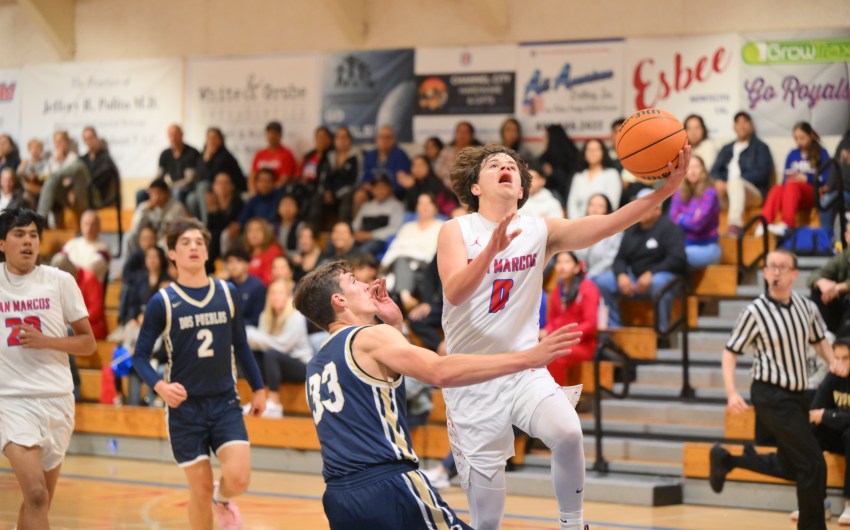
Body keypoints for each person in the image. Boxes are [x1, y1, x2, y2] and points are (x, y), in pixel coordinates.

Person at [438, 143, 690, 530]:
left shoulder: (540, 229)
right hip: (472, 377)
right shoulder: (456, 230)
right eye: (493, 165)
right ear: (475, 187)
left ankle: (573, 525)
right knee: (487, 521)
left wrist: (664, 192)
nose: (505, 167)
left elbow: (609, 223)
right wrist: (491, 249)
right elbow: (455, 291)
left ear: (521, 189)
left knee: (568, 432)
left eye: (511, 165)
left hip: (524, 367)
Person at [292, 260, 582, 529]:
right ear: (339, 300)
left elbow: (384, 396)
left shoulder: (317, 361)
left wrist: (395, 326)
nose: (367, 285)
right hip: (389, 485)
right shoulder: (368, 338)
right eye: (354, 281)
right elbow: (440, 372)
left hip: (339, 497)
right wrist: (528, 358)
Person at [131, 218, 267, 530]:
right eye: (185, 242)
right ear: (172, 254)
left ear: (207, 252)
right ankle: (210, 502)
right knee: (200, 489)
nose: (193, 247)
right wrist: (159, 387)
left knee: (239, 479)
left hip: (224, 402)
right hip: (185, 410)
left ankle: (223, 500)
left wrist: (259, 388)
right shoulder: (161, 302)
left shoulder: (226, 291)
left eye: (199, 242)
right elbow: (138, 357)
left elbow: (241, 344)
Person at [709, 249, 845, 530]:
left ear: (795, 274)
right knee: (813, 463)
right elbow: (730, 353)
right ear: (765, 273)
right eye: (772, 267)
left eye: (783, 267)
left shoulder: (806, 307)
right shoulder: (755, 311)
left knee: (792, 465)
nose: (776, 272)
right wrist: (732, 392)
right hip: (770, 395)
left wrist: (833, 361)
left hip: (798, 395)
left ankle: (727, 460)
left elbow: (819, 341)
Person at [0, 207, 96, 529]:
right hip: (11, 401)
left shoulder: (60, 281)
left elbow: (88, 343)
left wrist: (47, 341)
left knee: (37, 503)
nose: (28, 242)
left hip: (58, 399)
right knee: (37, 495)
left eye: (33, 235)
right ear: (2, 243)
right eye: (19, 234)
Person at [594, 187, 687, 330]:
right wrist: (621, 275)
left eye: (647, 207)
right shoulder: (632, 229)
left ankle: (662, 332)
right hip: (635, 278)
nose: (642, 211)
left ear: (658, 210)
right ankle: (614, 327)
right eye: (640, 207)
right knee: (602, 281)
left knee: (658, 282)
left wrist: (652, 273)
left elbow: (677, 259)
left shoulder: (670, 228)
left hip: (665, 278)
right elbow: (619, 259)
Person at [246, 279, 313, 418]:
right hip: (278, 365)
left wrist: (253, 335)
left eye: (280, 293)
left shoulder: (296, 316)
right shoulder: (264, 316)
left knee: (271, 354)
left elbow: (283, 346)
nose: (276, 296)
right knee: (252, 355)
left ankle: (275, 404)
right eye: (273, 293)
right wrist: (254, 338)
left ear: (288, 296)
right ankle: (258, 399)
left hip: (302, 366)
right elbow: (259, 345)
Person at [759, 121, 830, 237]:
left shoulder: (822, 153)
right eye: (796, 138)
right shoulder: (792, 154)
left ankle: (787, 224)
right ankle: (763, 223)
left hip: (813, 192)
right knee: (777, 188)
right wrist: (791, 178)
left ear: (811, 135)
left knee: (792, 186)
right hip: (793, 194)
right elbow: (784, 181)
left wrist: (806, 178)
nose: (799, 142)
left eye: (802, 138)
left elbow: (826, 179)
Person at [711, 111, 774, 236]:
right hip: (727, 193)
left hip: (753, 193)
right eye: (738, 122)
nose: (742, 125)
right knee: (703, 187)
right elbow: (714, 171)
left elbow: (763, 173)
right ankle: (701, 231)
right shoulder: (726, 148)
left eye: (745, 122)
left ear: (751, 126)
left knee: (735, 181)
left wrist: (733, 182)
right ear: (733, 127)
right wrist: (719, 182)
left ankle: (734, 226)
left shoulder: (761, 147)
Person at [541, 252, 600, 385]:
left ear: (577, 267)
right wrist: (546, 331)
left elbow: (590, 324)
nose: (562, 266)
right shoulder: (557, 291)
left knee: (555, 355)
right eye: (559, 262)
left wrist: (566, 336)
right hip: (560, 342)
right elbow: (552, 321)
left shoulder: (587, 287)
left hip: (583, 344)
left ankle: (558, 399)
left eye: (567, 262)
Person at [809, 335, 850, 525]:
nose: (840, 363)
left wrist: (828, 416)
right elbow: (813, 411)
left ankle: (849, 504)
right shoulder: (832, 376)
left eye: (846, 358)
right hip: (838, 436)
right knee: (811, 433)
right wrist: (829, 417)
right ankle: (818, 503)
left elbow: (822, 413)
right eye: (837, 358)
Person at [380, 192, 444, 311]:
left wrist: (411, 250)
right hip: (404, 264)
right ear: (416, 207)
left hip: (428, 267)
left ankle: (405, 297)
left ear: (435, 207)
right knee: (400, 260)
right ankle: (406, 298)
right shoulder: (407, 227)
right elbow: (396, 247)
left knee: (401, 261)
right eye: (421, 203)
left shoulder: (442, 226)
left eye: (428, 203)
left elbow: (433, 253)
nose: (424, 207)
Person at [670, 155, 721, 268]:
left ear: (703, 170)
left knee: (676, 257)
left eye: (696, 167)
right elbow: (672, 220)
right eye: (689, 167)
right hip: (684, 245)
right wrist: (691, 217)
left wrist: (681, 218)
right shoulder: (679, 192)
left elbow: (697, 224)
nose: (693, 171)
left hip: (707, 247)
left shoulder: (710, 193)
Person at [37, 130, 90, 225]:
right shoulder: (52, 159)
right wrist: (56, 162)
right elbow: (44, 177)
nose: (59, 144)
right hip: (55, 193)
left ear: (67, 142)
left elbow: (71, 179)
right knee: (46, 184)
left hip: (70, 193)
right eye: (56, 141)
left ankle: (40, 220)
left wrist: (71, 189)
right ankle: (41, 220)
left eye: (61, 141)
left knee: (51, 182)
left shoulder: (73, 158)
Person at [127, 177, 190, 254]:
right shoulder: (146, 206)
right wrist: (143, 211)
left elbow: (183, 230)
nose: (152, 197)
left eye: (155, 193)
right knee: (130, 238)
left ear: (165, 194)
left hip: (166, 240)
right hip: (151, 238)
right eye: (151, 194)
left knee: (165, 244)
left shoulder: (177, 208)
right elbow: (135, 228)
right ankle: (131, 263)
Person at [808, 221, 850, 333]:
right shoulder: (843, 257)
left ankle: (842, 343)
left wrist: (840, 287)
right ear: (846, 237)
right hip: (844, 307)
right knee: (818, 291)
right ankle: (824, 334)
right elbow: (815, 274)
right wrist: (822, 283)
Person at [567, 138, 621, 220]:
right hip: (579, 223)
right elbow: (572, 204)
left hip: (604, 223)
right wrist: (577, 224)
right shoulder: (578, 176)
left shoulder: (611, 174)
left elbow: (613, 204)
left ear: (603, 152)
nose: (592, 153)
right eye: (589, 150)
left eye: (596, 149)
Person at [351, 174, 405, 256]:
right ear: (372, 190)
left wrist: (371, 235)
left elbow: (395, 229)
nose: (380, 190)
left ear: (390, 189)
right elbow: (355, 225)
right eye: (377, 187)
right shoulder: (367, 206)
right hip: (361, 238)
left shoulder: (396, 206)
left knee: (363, 251)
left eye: (383, 187)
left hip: (380, 240)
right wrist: (357, 234)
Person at [51, 209, 111, 282]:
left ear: (99, 227)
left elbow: (90, 268)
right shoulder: (71, 244)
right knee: (58, 258)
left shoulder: (104, 248)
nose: (89, 228)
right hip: (68, 283)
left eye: (93, 225)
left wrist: (72, 264)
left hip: (89, 287)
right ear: (81, 225)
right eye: (86, 224)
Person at [574, 193, 623, 280]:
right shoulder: (579, 225)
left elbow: (609, 260)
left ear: (607, 210)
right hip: (581, 272)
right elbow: (574, 252)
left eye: (600, 206)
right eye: (591, 205)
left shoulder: (615, 231)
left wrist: (589, 275)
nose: (594, 209)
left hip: (605, 273)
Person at [224, 248, 267, 328]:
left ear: (247, 264)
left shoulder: (258, 286)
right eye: (230, 262)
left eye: (238, 261)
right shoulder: (223, 286)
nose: (233, 266)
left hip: (250, 329)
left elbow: (256, 320)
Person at [538, 124, 579, 206]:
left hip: (567, 201)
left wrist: (552, 174)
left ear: (552, 139)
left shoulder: (574, 157)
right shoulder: (543, 159)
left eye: (546, 136)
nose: (543, 139)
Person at [249, 121, 298, 190]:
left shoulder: (287, 154)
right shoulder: (259, 154)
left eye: (275, 133)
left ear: (280, 135)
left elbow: (285, 179)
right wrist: (253, 192)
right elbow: (252, 176)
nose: (272, 136)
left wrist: (268, 191)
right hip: (259, 193)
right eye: (270, 133)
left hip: (277, 193)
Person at [80, 127, 120, 209]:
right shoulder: (82, 159)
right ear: (84, 142)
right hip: (85, 193)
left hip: (99, 194)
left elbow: (99, 179)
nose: (89, 141)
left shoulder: (105, 158)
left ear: (96, 138)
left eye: (91, 138)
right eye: (86, 139)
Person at [244, 217, 285, 287]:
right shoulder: (246, 254)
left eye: (258, 230)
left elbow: (268, 279)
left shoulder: (274, 251)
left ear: (266, 232)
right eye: (250, 230)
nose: (254, 234)